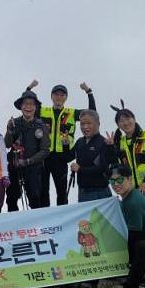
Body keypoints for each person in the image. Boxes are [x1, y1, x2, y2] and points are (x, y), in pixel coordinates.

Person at [26, 79, 96, 207]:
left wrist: (89, 92)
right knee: (43, 191)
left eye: (62, 95)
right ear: (51, 96)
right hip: (44, 157)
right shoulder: (43, 111)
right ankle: (46, 216)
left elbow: (92, 113)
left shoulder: (72, 113)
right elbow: (27, 106)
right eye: (56, 94)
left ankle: (62, 217)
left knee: (62, 192)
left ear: (65, 98)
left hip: (61, 158)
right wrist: (29, 88)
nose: (59, 97)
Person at [109, 100, 145, 216]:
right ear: (118, 125)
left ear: (134, 119)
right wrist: (111, 147)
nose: (126, 123)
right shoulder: (120, 142)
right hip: (132, 190)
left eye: (128, 118)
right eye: (121, 121)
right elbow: (118, 166)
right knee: (136, 222)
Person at [4, 90, 50, 210]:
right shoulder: (14, 123)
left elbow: (45, 151)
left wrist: (28, 161)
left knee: (35, 198)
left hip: (33, 168)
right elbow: (7, 144)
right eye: (25, 103)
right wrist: (9, 130)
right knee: (11, 198)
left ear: (36, 107)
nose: (28, 107)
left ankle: (35, 222)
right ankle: (14, 222)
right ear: (21, 106)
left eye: (31, 104)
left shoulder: (41, 126)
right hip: (15, 167)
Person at [62, 110, 116, 202]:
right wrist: (65, 145)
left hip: (99, 191)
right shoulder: (80, 142)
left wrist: (80, 169)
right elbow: (67, 158)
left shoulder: (103, 142)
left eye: (88, 123)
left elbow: (103, 168)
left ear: (98, 124)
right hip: (82, 191)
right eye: (82, 124)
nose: (85, 127)